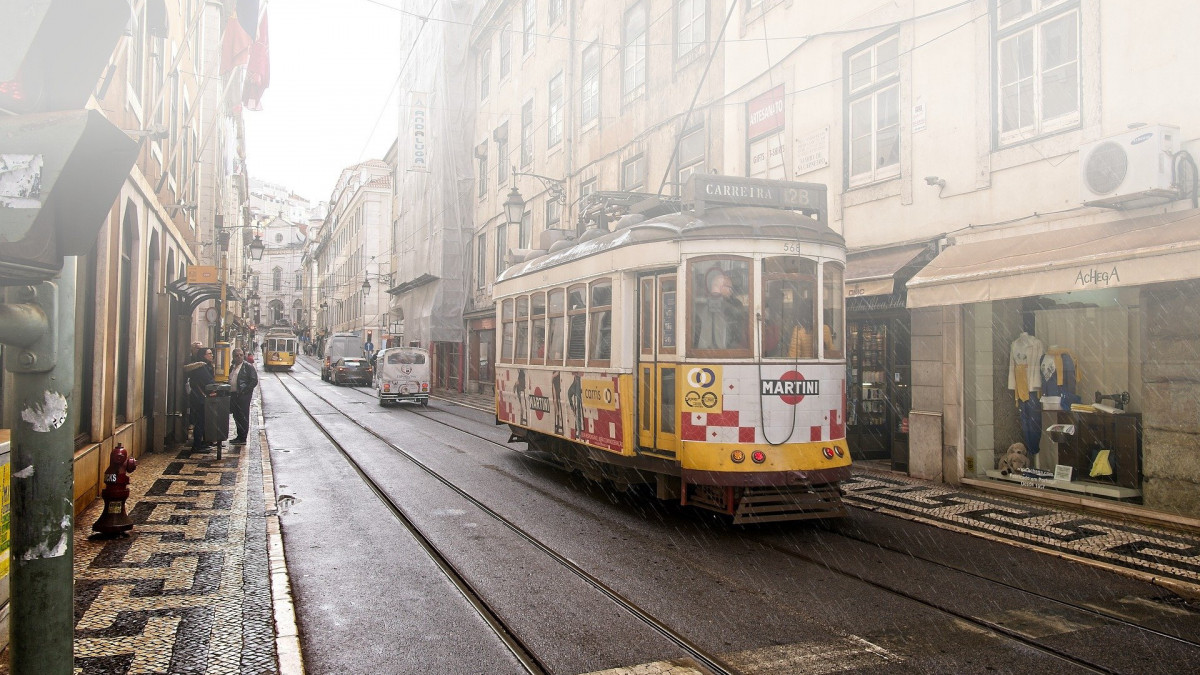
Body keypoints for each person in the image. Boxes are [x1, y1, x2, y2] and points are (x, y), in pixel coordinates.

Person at [695, 270, 746, 350]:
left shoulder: (702, 306)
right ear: (721, 286)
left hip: (704, 351)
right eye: (729, 288)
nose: (731, 291)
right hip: (721, 351)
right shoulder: (727, 307)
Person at [184, 347, 215, 451]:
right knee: (200, 421)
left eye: (211, 353)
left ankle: (202, 442)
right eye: (209, 354)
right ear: (203, 356)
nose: (211, 355)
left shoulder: (204, 366)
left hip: (198, 397)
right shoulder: (202, 367)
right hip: (200, 398)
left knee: (201, 421)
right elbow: (209, 381)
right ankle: (197, 445)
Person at [229, 348, 258, 445]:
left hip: (243, 396)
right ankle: (239, 436)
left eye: (241, 355)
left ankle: (243, 437)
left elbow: (254, 380)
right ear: (233, 357)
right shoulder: (233, 366)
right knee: (236, 415)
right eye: (237, 355)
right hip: (234, 395)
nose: (239, 357)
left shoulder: (248, 366)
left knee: (243, 416)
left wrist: (245, 391)